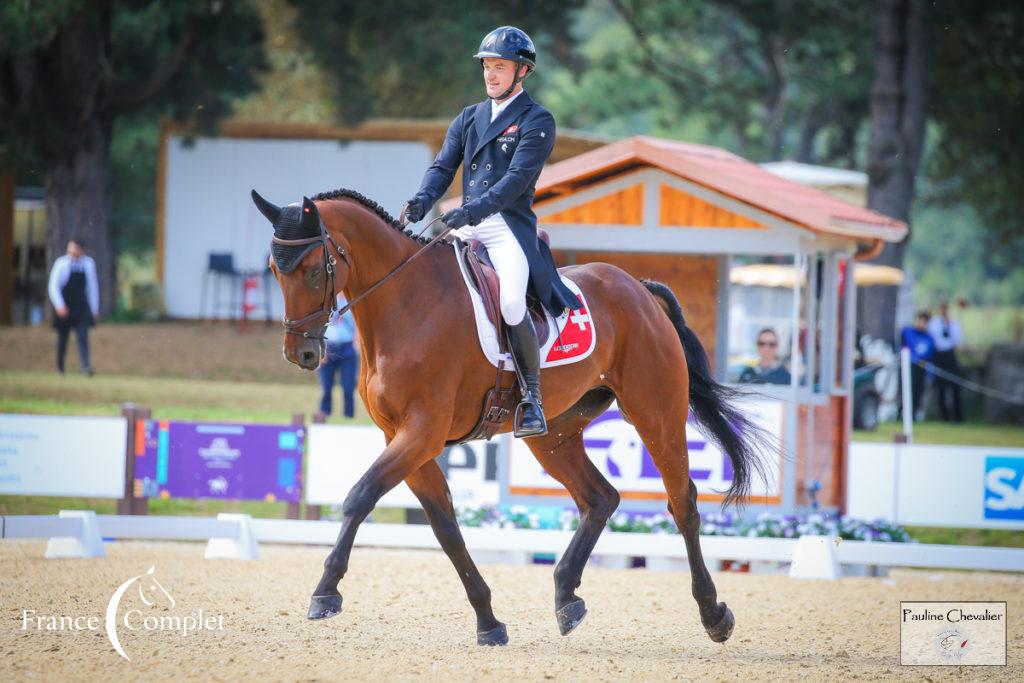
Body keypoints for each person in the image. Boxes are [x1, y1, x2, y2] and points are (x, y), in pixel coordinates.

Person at [402, 26, 578, 438]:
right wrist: (422, 200)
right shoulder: (469, 118)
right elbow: (443, 168)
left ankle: (532, 398)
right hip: (463, 224)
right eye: (487, 67)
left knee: (513, 302)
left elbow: (516, 180)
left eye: (500, 67)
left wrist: (471, 210)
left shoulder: (537, 120)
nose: (491, 75)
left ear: (522, 72)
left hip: (506, 230)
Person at [47, 237, 99, 376]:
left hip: (81, 306)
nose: (72, 251)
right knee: (63, 338)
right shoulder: (61, 263)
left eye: (75, 248)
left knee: (82, 336)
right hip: (65, 305)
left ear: (82, 250)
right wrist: (60, 305)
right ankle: (60, 368)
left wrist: (94, 308)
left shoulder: (88, 264)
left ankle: (86, 367)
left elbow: (93, 287)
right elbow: (53, 286)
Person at [317, 294, 358, 419]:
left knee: (348, 387)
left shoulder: (352, 302)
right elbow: (318, 327)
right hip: (328, 347)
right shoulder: (325, 302)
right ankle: (324, 414)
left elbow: (358, 326)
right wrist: (320, 349)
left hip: (347, 347)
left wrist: (357, 344)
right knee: (326, 387)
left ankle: (348, 416)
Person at [927, 301, 964, 422]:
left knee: (955, 386)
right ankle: (945, 417)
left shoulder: (953, 324)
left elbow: (957, 341)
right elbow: (934, 339)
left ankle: (958, 416)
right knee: (941, 387)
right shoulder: (934, 323)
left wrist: (949, 324)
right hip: (939, 356)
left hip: (950, 355)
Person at [900, 311, 935, 421]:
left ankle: (913, 414)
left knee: (917, 392)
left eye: (925, 321)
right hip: (908, 367)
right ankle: (900, 413)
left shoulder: (929, 338)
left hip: (921, 368)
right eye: (920, 320)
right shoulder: (908, 332)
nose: (922, 323)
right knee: (904, 391)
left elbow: (929, 355)